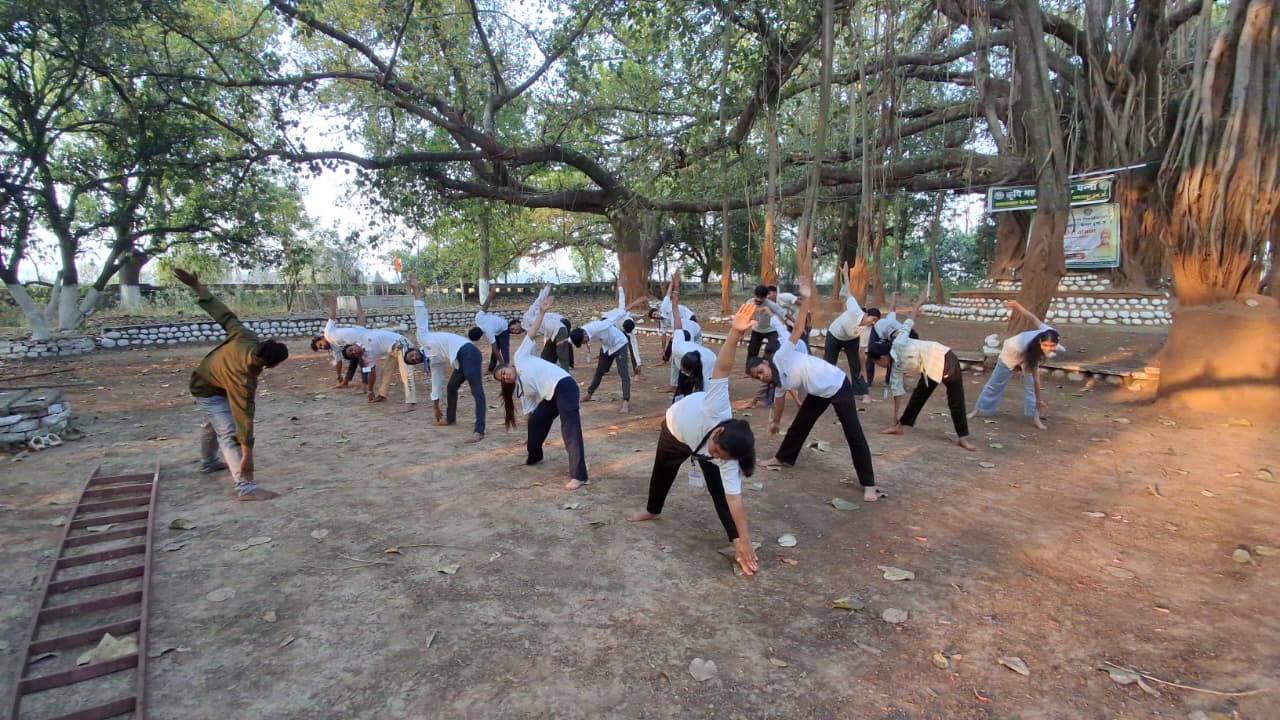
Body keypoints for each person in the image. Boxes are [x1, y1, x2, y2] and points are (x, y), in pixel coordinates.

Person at [629, 300, 761, 576]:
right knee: (662, 472)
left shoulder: (727, 459)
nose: (716, 456)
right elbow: (723, 368)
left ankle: (735, 541)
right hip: (674, 430)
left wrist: (745, 541)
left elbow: (735, 499)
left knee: (720, 493)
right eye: (717, 451)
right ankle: (653, 510)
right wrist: (735, 332)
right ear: (719, 432)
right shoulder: (717, 407)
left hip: (695, 440)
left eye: (721, 457)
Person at [748, 283, 881, 502]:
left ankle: (869, 484)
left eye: (760, 372)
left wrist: (806, 300)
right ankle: (783, 458)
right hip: (818, 392)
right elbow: (779, 403)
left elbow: (794, 330)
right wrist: (775, 423)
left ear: (765, 362)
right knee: (800, 424)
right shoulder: (778, 381)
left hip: (837, 385)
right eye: (757, 377)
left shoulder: (781, 356)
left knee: (853, 433)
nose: (762, 377)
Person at [174, 268, 286, 501]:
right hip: (206, 389)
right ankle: (245, 488)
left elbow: (223, 314)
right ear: (268, 365)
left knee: (213, 424)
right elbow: (244, 418)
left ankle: (208, 463)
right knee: (228, 432)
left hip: (207, 380)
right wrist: (248, 456)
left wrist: (197, 286)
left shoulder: (246, 336)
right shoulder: (243, 379)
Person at [494, 294, 590, 491]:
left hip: (564, 386)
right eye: (502, 379)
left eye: (503, 373)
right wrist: (531, 437)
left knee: (569, 429)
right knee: (536, 421)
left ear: (509, 367)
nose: (505, 377)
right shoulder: (522, 390)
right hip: (551, 396)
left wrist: (542, 312)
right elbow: (529, 415)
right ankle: (534, 456)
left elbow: (531, 333)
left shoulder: (520, 357)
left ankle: (579, 476)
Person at [873, 292, 976, 450]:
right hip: (930, 369)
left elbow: (909, 321)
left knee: (956, 399)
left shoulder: (899, 343)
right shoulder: (894, 369)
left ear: (883, 356)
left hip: (944, 358)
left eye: (880, 363)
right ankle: (900, 426)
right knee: (919, 396)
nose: (881, 366)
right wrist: (895, 419)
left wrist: (919, 302)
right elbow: (897, 392)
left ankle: (962, 437)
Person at [405, 274, 486, 442]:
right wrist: (435, 406)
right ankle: (450, 418)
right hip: (460, 359)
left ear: (415, 349)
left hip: (468, 352)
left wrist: (416, 290)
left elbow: (421, 316)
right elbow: (437, 381)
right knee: (451, 387)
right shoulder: (433, 363)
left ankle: (479, 431)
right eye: (412, 360)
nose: (414, 357)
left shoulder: (423, 338)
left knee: (476, 391)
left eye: (412, 354)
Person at [970, 300, 1062, 430]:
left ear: (1057, 342)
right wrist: (1039, 401)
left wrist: (1017, 305)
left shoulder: (1049, 331)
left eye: (1052, 346)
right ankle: (978, 409)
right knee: (996, 382)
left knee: (1030, 385)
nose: (1048, 348)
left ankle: (1035, 417)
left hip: (1029, 352)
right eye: (1045, 345)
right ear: (1040, 341)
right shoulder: (1028, 348)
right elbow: (1037, 379)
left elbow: (1033, 318)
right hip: (1012, 350)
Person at [570, 285, 634, 413]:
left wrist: (626, 308)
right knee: (599, 371)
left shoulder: (598, 327)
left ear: (584, 335)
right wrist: (561, 341)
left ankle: (625, 401)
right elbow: (570, 339)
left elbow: (613, 319)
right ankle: (589, 394)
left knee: (623, 373)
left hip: (619, 344)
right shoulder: (581, 333)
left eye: (584, 341)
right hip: (606, 346)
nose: (585, 343)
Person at [823, 262, 871, 401]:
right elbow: (848, 292)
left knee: (856, 365)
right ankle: (824, 388)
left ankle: (861, 392)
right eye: (872, 319)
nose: (872, 322)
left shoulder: (867, 329)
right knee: (829, 363)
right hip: (834, 335)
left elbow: (862, 351)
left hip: (851, 340)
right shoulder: (854, 308)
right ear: (865, 314)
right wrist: (845, 273)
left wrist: (864, 368)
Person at [667, 273, 717, 401]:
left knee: (703, 393)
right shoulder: (678, 345)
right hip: (695, 362)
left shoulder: (708, 362)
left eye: (686, 371)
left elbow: (707, 395)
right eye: (683, 370)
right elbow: (675, 310)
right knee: (682, 389)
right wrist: (676, 287)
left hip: (707, 363)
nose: (684, 372)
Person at [310, 295, 367, 389]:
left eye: (320, 344)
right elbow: (339, 362)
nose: (323, 347)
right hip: (358, 342)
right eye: (321, 348)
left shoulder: (328, 332)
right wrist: (339, 375)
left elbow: (332, 316)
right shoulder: (334, 349)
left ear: (322, 338)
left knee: (363, 361)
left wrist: (333, 303)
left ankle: (366, 384)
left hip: (362, 338)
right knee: (355, 358)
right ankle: (348, 382)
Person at [356, 324, 417, 406]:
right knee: (385, 372)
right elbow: (371, 372)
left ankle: (411, 401)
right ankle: (382, 395)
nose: (354, 352)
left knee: (406, 374)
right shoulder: (365, 355)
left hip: (401, 344)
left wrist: (370, 390)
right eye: (354, 355)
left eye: (352, 351)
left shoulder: (365, 340)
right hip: (392, 350)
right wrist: (370, 391)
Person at [522, 285, 573, 370]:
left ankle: (566, 369)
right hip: (551, 332)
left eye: (513, 328)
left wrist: (546, 288)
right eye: (513, 332)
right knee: (546, 357)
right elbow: (533, 347)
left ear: (516, 323)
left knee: (562, 351)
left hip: (560, 324)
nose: (515, 331)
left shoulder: (527, 317)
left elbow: (538, 301)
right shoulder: (530, 333)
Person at [469, 287, 517, 373]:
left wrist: (501, 363)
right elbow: (486, 305)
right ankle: (491, 369)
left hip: (504, 329)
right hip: (497, 329)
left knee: (504, 349)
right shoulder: (478, 318)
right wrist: (491, 293)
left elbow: (495, 349)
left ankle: (506, 368)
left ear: (480, 337)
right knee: (495, 352)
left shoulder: (489, 332)